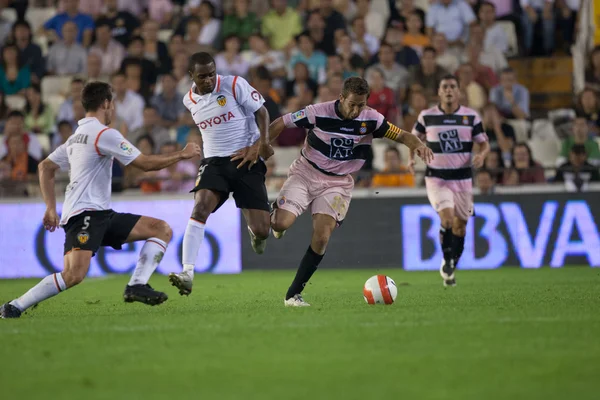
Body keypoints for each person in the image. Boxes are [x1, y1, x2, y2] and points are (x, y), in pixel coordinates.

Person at [0, 81, 202, 319]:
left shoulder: (76, 138)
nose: (113, 109)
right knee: (73, 274)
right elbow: (145, 164)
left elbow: (45, 167)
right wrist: (182, 154)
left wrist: (50, 208)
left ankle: (136, 285)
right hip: (85, 215)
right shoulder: (103, 134)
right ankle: (14, 306)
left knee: (161, 229)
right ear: (106, 103)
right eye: (112, 104)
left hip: (101, 214)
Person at [267, 77, 433, 306]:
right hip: (305, 173)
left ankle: (292, 294)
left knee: (323, 235)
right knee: (280, 224)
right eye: (352, 104)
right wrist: (260, 146)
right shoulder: (318, 112)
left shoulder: (372, 119)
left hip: (338, 183)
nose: (356, 110)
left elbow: (402, 135)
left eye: (361, 105)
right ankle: (273, 216)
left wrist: (417, 145)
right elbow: (281, 122)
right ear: (341, 98)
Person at [168, 52, 273, 297]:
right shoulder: (189, 100)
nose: (208, 80)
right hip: (214, 162)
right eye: (202, 76)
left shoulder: (234, 84)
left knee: (262, 230)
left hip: (246, 160)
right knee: (200, 208)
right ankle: (187, 272)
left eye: (212, 74)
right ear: (191, 76)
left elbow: (263, 112)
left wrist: (261, 144)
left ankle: (256, 233)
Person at [410, 74, 490, 287]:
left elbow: (484, 143)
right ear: (438, 91)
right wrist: (411, 159)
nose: (448, 90)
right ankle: (446, 259)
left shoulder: (471, 117)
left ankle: (452, 263)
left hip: (463, 178)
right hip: (437, 177)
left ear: (459, 91)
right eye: (444, 86)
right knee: (446, 219)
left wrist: (482, 155)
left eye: (452, 86)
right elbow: (412, 139)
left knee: (461, 227)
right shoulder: (426, 116)